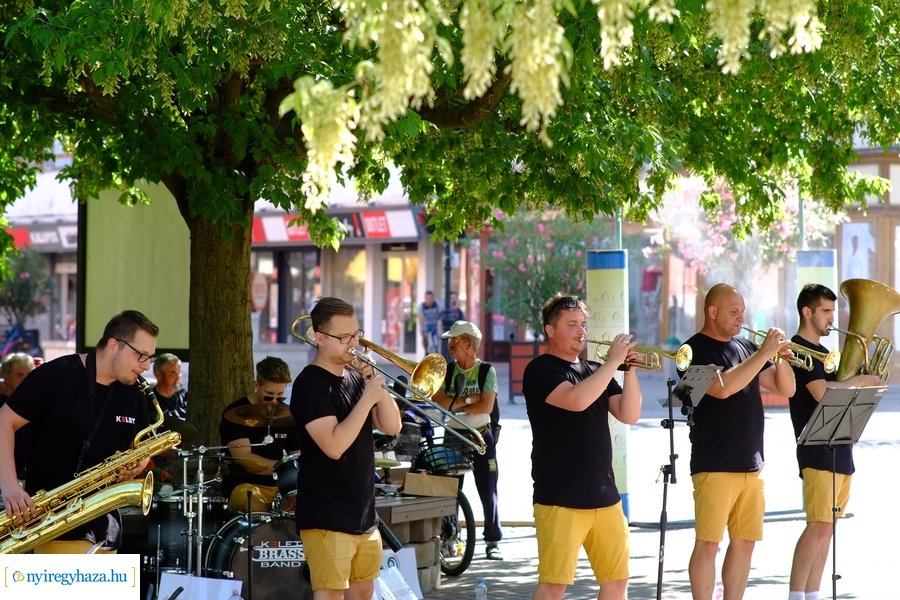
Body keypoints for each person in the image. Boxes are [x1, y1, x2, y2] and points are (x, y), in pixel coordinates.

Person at [0, 309, 159, 553]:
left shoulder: (135, 394)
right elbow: (4, 421)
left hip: (105, 529)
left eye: (150, 358)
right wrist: (10, 485)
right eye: (141, 356)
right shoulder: (55, 375)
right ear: (114, 345)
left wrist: (139, 462)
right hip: (48, 522)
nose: (146, 366)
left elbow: (140, 448)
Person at [678, 283, 796, 600]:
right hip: (714, 463)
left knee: (745, 542)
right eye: (734, 311)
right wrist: (763, 353)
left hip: (751, 463)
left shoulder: (746, 347)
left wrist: (781, 358)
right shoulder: (691, 350)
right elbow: (721, 388)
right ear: (712, 312)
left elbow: (785, 389)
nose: (740, 317)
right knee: (708, 542)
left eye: (743, 311)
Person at [522, 292, 642, 600]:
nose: (581, 331)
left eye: (583, 324)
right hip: (561, 497)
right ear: (550, 330)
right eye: (572, 324)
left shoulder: (593, 370)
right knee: (554, 586)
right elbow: (576, 400)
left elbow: (629, 414)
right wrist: (613, 361)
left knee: (617, 581)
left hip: (605, 495)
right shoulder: (540, 370)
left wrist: (630, 372)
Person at [290, 297, 402, 599]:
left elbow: (393, 427)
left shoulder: (355, 377)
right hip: (327, 514)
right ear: (319, 338)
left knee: (364, 593)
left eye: (357, 334)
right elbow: (334, 446)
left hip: (363, 514)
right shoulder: (309, 384)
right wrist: (366, 400)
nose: (354, 344)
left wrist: (376, 385)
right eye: (344, 337)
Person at [787, 284, 882, 600]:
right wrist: (859, 381)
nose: (832, 317)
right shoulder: (799, 349)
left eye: (832, 310)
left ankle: (812, 593)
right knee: (817, 525)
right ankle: (796, 594)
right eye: (826, 311)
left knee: (828, 527)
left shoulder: (827, 355)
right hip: (816, 449)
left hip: (840, 447)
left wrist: (862, 384)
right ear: (807, 312)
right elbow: (822, 393)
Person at [432, 320, 503, 560]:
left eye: (455, 340)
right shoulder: (448, 370)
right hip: (453, 434)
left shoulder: (486, 371)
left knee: (488, 488)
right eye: (450, 340)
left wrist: (459, 403)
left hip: (481, 434)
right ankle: (448, 537)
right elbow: (439, 400)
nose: (450, 344)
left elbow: (487, 405)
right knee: (450, 489)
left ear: (469, 344)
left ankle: (493, 541)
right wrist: (470, 402)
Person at [220, 356, 299, 514]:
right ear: (256, 385)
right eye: (269, 395)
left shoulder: (288, 414)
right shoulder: (236, 413)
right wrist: (281, 468)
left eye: (280, 396)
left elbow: (297, 457)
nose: (275, 401)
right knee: (257, 508)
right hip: (243, 484)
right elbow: (245, 459)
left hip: (280, 487)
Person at [152, 353, 188, 421]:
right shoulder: (150, 401)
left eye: (179, 372)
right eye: (173, 373)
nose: (178, 377)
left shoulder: (185, 397)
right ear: (159, 375)